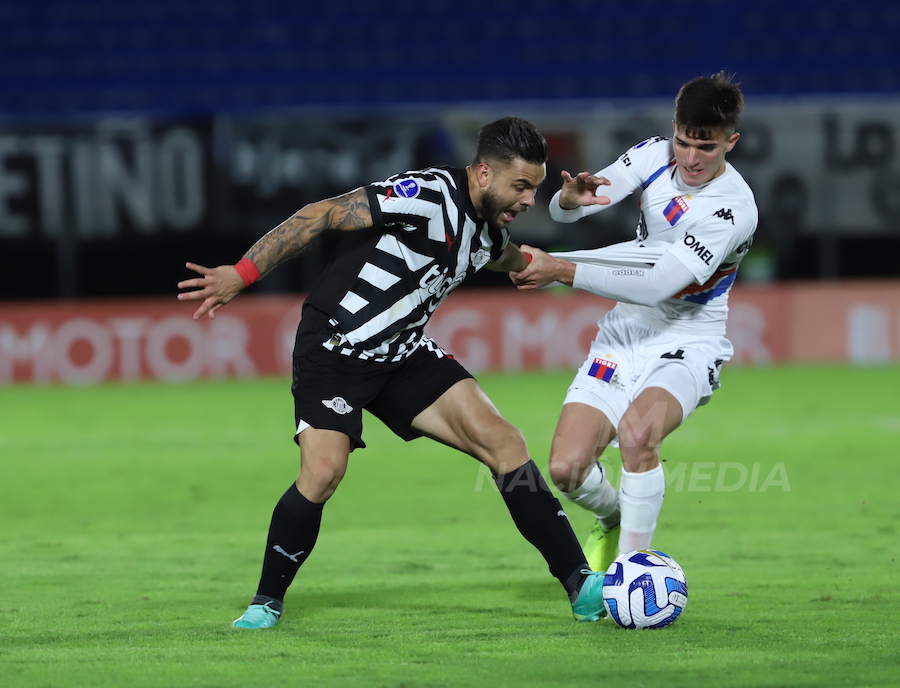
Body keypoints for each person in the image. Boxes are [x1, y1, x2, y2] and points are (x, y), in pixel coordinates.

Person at [177, 116, 606, 629]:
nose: (528, 200)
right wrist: (241, 274)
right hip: (337, 346)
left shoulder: (490, 234)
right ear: (485, 173)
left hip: (402, 355)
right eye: (521, 186)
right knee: (322, 472)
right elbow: (321, 215)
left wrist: (552, 262)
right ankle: (266, 601)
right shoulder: (426, 194)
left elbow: (507, 258)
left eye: (535, 189)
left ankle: (581, 584)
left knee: (505, 442)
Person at [511, 73, 758, 573]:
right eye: (684, 142)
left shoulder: (731, 208)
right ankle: (617, 517)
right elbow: (570, 213)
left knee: (639, 434)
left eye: (706, 148)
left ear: (731, 141)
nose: (690, 158)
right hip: (626, 331)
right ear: (674, 129)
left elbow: (659, 283)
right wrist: (568, 202)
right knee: (566, 468)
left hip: (689, 338)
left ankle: (630, 569)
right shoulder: (651, 155)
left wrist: (561, 269)